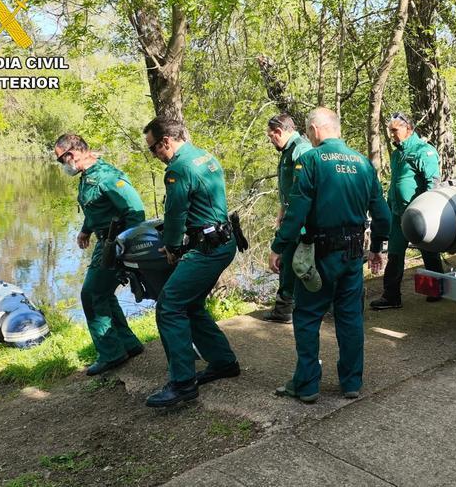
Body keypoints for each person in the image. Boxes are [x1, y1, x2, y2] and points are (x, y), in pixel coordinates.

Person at [268, 107, 391, 403]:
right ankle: (351, 383)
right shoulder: (362, 163)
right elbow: (383, 214)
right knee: (350, 318)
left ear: (314, 129)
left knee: (308, 316)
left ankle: (307, 385)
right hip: (352, 256)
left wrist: (279, 247)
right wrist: (376, 248)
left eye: (308, 132)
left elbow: (297, 212)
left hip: (319, 256)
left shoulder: (311, 160)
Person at [142, 117, 241, 408]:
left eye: (153, 149)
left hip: (208, 249)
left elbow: (175, 214)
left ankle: (182, 383)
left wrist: (171, 247)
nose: (155, 155)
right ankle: (223, 362)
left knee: (170, 306)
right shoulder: (203, 156)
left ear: (166, 142)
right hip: (223, 241)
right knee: (191, 305)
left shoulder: (179, 168)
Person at [53, 134, 146, 376]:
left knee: (91, 294)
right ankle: (127, 344)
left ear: (71, 155)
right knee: (102, 293)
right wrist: (86, 230)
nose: (62, 165)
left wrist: (125, 246)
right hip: (104, 242)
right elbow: (96, 208)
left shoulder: (107, 176)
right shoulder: (88, 177)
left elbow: (135, 211)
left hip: (116, 245)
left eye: (60, 160)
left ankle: (111, 354)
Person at [370, 112, 444, 310]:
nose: (392, 134)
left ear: (408, 129)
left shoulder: (423, 150)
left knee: (428, 250)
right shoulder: (397, 154)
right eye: (390, 131)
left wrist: (429, 210)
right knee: (394, 253)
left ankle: (436, 289)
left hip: (418, 213)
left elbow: (433, 182)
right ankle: (391, 296)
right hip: (397, 213)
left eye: (395, 130)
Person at [264, 114, 314, 323]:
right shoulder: (287, 151)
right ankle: (288, 306)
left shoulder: (300, 148)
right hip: (291, 215)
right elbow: (288, 189)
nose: (270, 140)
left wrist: (293, 216)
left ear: (279, 132)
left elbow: (303, 188)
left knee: (290, 258)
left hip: (301, 219)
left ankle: (285, 308)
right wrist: (281, 213)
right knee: (292, 259)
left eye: (271, 136)